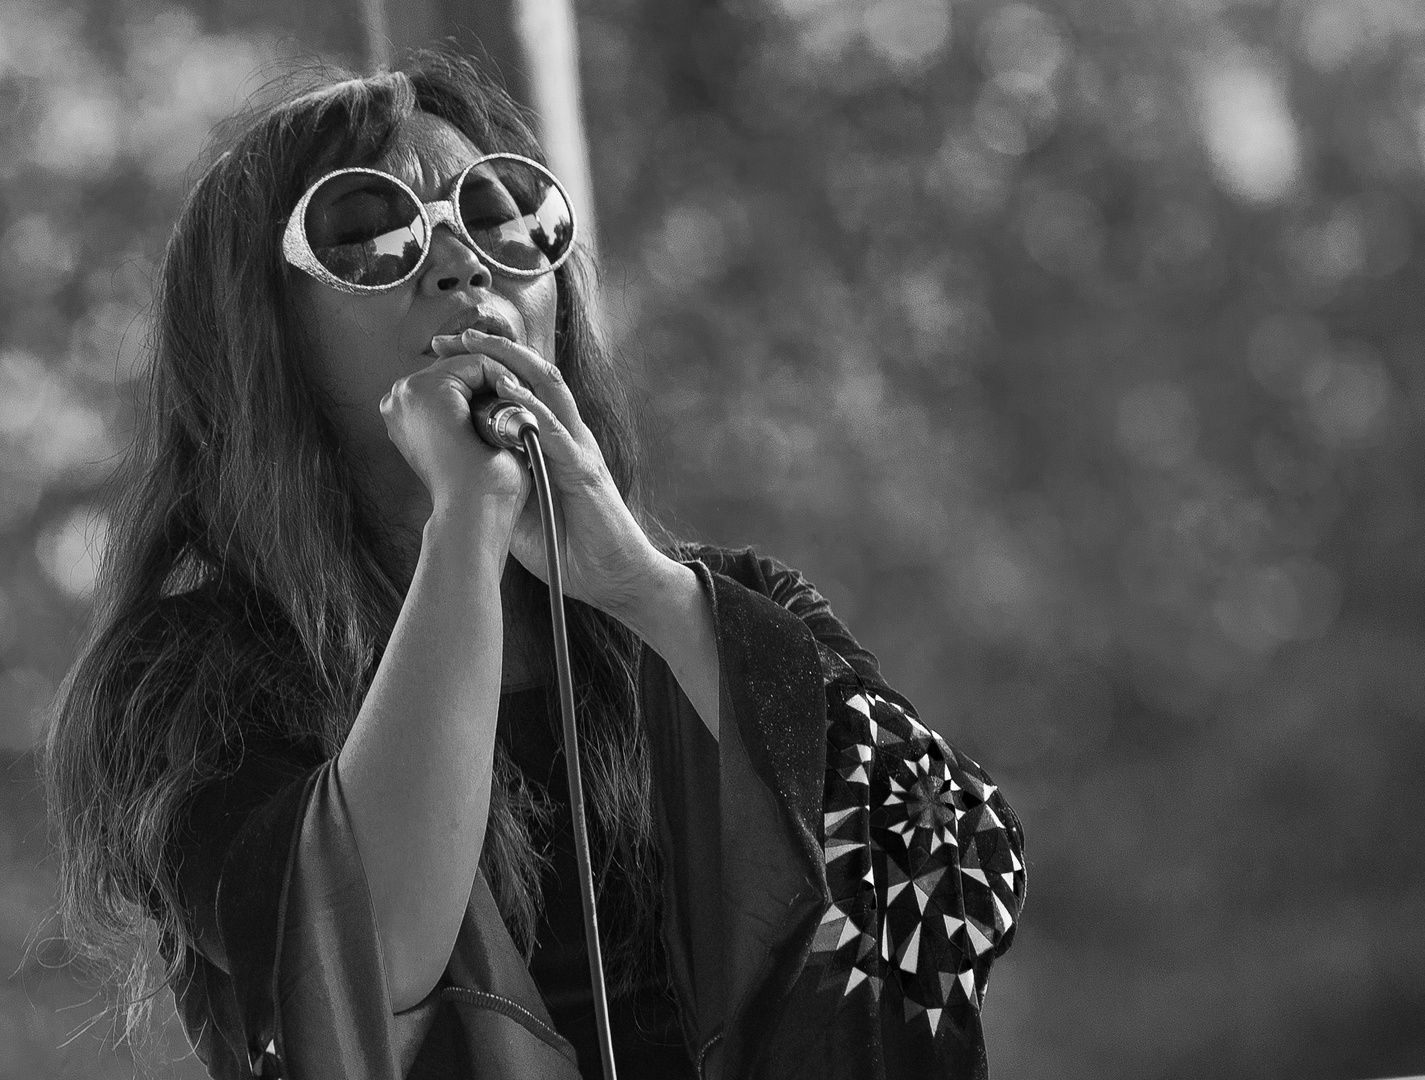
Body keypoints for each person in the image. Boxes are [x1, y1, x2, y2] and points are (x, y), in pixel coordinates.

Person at [43, 51, 1026, 1080]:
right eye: (371, 234)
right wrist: (467, 523)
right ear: (265, 331)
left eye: (503, 218)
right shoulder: (189, 678)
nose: (463, 266)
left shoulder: (724, 607)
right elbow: (357, 979)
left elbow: (956, 886)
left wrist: (643, 588)